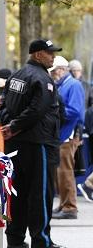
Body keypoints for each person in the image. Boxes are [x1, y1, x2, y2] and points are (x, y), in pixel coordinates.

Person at [0, 38, 67, 248]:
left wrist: (10, 125)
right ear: (37, 54)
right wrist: (16, 126)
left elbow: (2, 105)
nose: (53, 57)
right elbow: (37, 110)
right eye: (49, 53)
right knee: (41, 192)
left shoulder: (15, 76)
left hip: (16, 144)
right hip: (39, 143)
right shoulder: (42, 79)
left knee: (17, 190)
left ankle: (15, 238)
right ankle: (41, 240)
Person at [49, 56, 85, 219]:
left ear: (62, 70)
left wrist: (55, 112)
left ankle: (69, 206)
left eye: (55, 71)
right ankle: (65, 204)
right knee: (61, 172)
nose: (53, 74)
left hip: (68, 135)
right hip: (63, 134)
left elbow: (75, 111)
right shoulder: (64, 84)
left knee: (65, 171)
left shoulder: (73, 85)